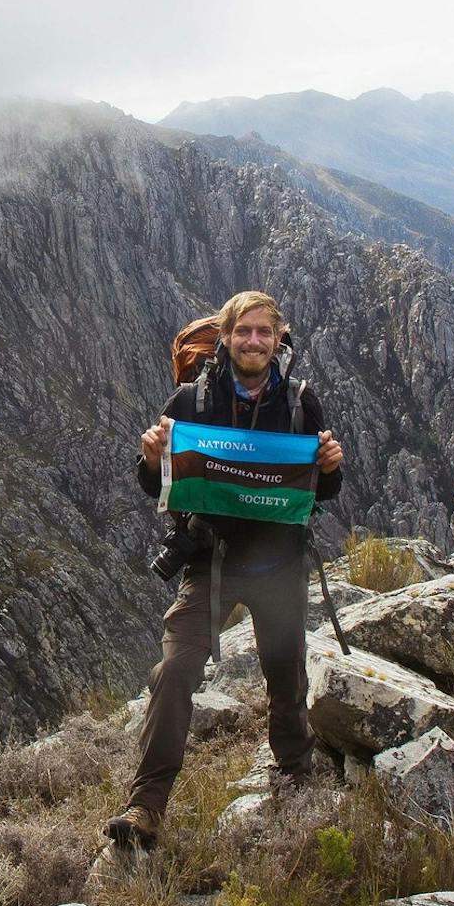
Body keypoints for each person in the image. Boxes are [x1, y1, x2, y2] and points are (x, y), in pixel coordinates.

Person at [105, 290, 344, 848]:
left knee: (286, 674)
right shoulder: (190, 402)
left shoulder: (301, 404)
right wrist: (149, 457)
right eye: (244, 332)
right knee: (174, 673)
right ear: (227, 338)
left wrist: (330, 467)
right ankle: (145, 807)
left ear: (278, 339)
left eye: (264, 332)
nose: (254, 342)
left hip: (279, 564)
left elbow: (318, 490)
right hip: (210, 561)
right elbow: (156, 483)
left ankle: (295, 778)